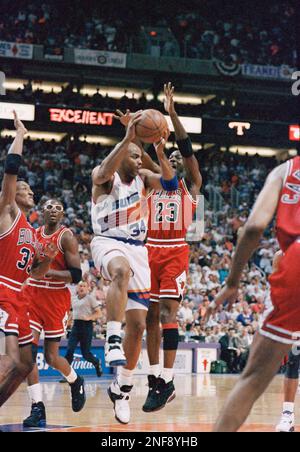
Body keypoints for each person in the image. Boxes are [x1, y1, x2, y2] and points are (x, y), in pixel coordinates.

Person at [90, 112, 177, 424]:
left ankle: (122, 388)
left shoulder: (144, 180)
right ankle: (112, 337)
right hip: (107, 241)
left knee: (139, 327)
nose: (138, 160)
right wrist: (128, 139)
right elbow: (102, 172)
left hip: (139, 250)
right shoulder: (105, 177)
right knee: (119, 271)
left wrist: (158, 150)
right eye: (134, 155)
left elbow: (170, 182)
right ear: (122, 155)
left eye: (141, 156)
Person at [205, 154, 300, 432]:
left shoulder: (285, 170)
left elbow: (254, 227)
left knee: (253, 379)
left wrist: (232, 282)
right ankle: (286, 414)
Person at [0, 112, 57, 409]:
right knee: (9, 357)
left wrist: (46, 260)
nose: (31, 191)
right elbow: (11, 170)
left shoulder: (33, 232)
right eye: (25, 189)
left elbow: (36, 271)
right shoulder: (6, 211)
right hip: (2, 289)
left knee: (24, 364)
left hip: (20, 295)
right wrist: (20, 135)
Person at [22, 198, 85, 428]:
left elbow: (76, 275)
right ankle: (37, 406)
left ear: (62, 215)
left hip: (55, 299)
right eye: (49, 207)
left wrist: (48, 270)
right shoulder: (34, 234)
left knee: (51, 357)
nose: (53, 211)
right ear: (42, 211)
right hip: (32, 297)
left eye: (58, 208)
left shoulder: (65, 237)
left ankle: (75, 380)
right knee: (27, 353)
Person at [64, 281, 102, 377]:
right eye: (80, 286)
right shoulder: (74, 299)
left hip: (87, 326)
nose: (82, 288)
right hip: (76, 326)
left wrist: (89, 317)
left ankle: (97, 362)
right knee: (69, 350)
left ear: (87, 288)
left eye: (84, 286)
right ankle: (68, 375)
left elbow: (99, 313)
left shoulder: (90, 298)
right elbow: (73, 312)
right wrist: (68, 322)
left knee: (85, 354)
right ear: (77, 287)